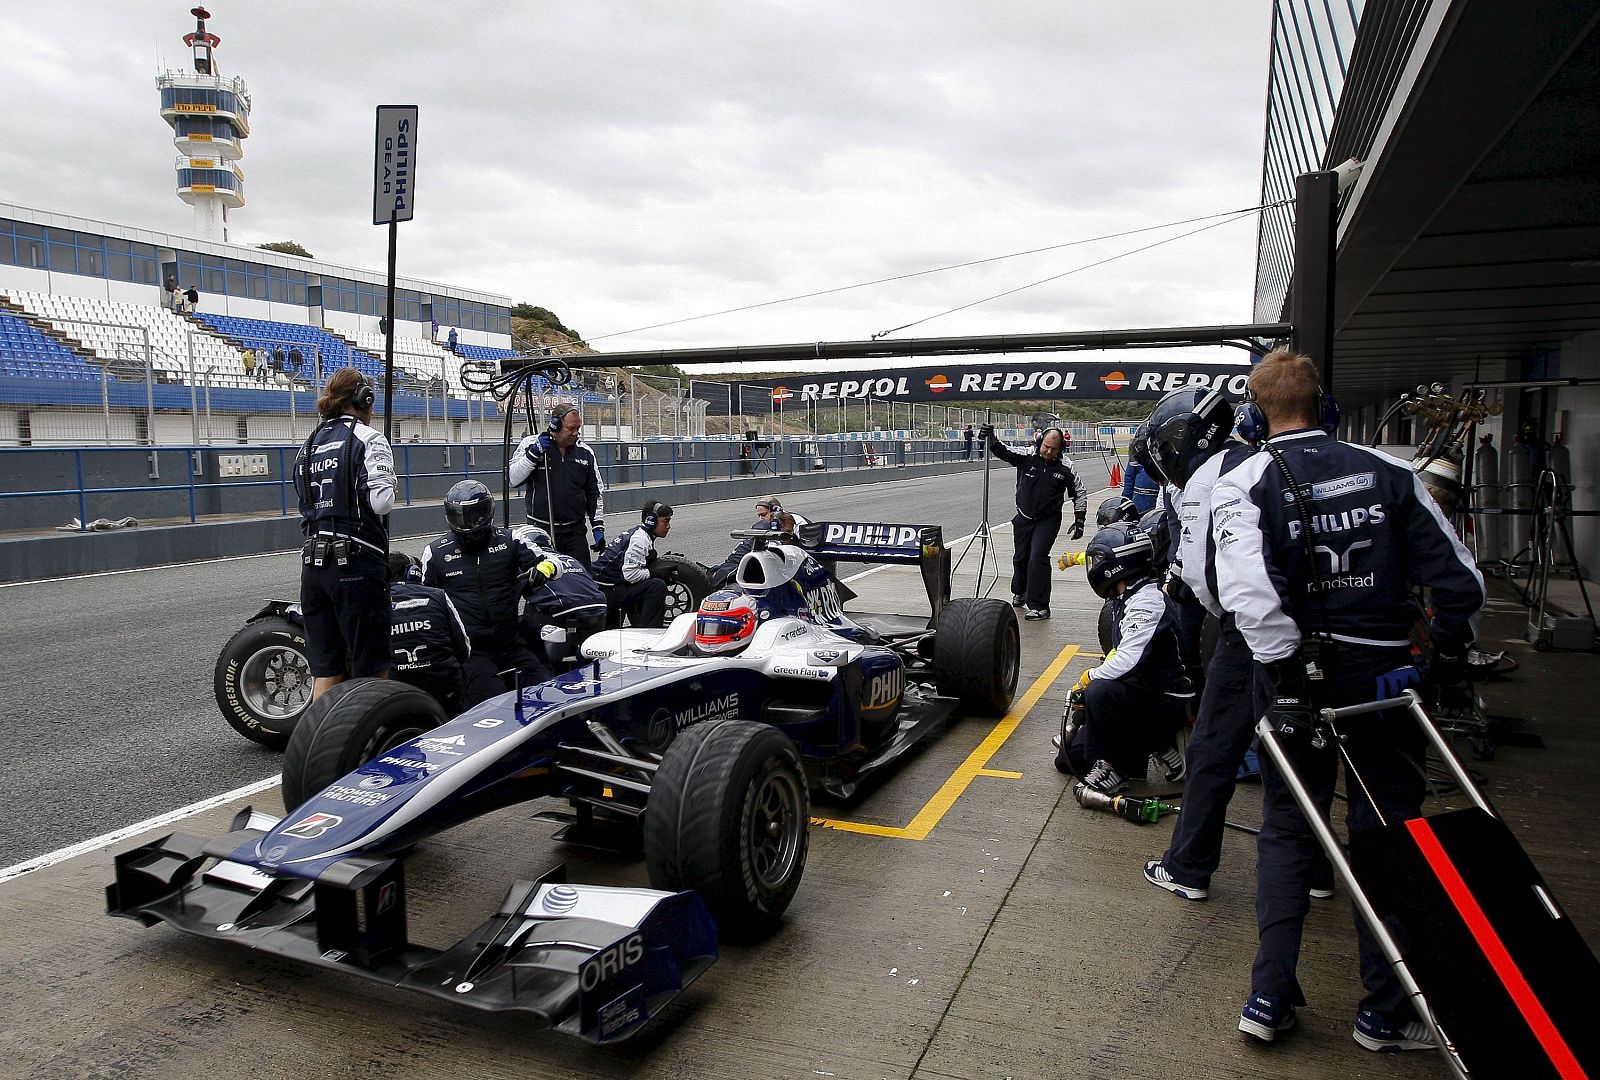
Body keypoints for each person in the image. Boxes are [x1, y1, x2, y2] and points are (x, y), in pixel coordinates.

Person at [1211, 349, 1484, 1050]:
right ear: (1324, 408)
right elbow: (1463, 585)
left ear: (1256, 412)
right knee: (1389, 833)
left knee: (1285, 830)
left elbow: (1237, 594)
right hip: (1387, 685)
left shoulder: (1242, 482)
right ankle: (1385, 1011)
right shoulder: (1391, 473)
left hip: (1295, 686)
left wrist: (1291, 671)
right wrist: (1442, 650)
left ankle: (1268, 998)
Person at [1140, 390, 1270, 903]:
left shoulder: (1203, 479)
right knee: (1299, 751)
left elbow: (1198, 574)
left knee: (1212, 749)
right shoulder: (1262, 458)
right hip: (1309, 629)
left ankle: (1189, 866)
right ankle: (1315, 871)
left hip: (1245, 627)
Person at [1056, 521, 1192, 791]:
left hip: (1165, 699)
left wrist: (1088, 678)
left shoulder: (1147, 602)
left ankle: (1114, 767)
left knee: (1100, 690)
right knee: (1068, 759)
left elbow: (1128, 660)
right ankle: (1156, 744)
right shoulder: (1126, 598)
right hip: (1140, 691)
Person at [293, 367, 396, 701]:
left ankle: (315, 748)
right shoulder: (369, 439)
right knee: (371, 671)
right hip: (356, 564)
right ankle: (371, 747)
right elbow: (382, 502)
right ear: (363, 399)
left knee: (326, 672)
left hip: (313, 565)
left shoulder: (307, 446)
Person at [419, 480, 563, 706]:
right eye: (460, 515)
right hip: (470, 650)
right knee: (491, 704)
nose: (467, 523)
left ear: (486, 512)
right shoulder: (435, 553)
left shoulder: (511, 540)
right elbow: (426, 603)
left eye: (473, 515)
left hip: (511, 642)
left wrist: (543, 569)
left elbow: (555, 562)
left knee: (547, 693)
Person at [982, 423, 1087, 620]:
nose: (1049, 451)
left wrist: (1080, 520)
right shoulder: (1027, 455)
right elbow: (1003, 451)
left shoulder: (1066, 466)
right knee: (1020, 558)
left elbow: (1079, 493)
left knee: (1037, 558)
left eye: (1054, 449)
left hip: (1048, 519)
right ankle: (1020, 590)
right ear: (1040, 443)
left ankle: (1040, 606)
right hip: (1023, 516)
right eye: (1046, 446)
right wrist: (991, 437)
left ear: (1061, 449)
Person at [508, 405, 605, 566]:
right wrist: (534, 454)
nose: (575, 433)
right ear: (556, 424)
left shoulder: (586, 452)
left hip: (575, 533)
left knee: (583, 582)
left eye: (578, 428)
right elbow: (513, 479)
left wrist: (598, 527)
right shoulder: (531, 443)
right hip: (540, 532)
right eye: (571, 428)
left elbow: (594, 493)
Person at [386, 552, 471, 713]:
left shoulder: (371, 603)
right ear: (414, 572)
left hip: (394, 694)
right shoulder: (438, 595)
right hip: (444, 690)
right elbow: (464, 648)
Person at [515, 525, 608, 668]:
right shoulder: (569, 558)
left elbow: (512, 597)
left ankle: (539, 668)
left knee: (523, 622)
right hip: (598, 608)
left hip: (564, 612)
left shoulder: (529, 561)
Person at [592, 501, 673, 628]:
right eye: (665, 521)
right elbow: (630, 575)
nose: (668, 526)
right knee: (656, 586)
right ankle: (648, 632)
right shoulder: (640, 540)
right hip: (604, 590)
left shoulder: (641, 533)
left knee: (645, 582)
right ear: (651, 520)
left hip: (607, 585)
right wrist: (655, 573)